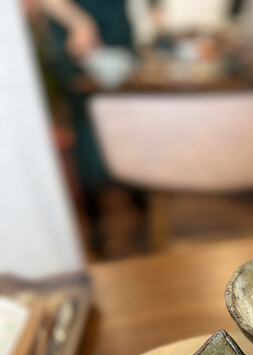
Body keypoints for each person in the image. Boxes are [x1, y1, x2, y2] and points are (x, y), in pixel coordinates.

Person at [38, 0, 162, 257]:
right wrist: (79, 22)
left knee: (131, 124)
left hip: (117, 28)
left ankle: (144, 221)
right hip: (75, 29)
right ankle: (97, 230)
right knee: (88, 126)